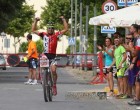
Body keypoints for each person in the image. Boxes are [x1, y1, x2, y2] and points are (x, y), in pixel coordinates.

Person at [31, 16, 68, 95]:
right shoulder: (43, 34)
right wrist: (35, 21)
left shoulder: (56, 35)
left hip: (53, 56)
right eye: (49, 28)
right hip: (45, 54)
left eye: (51, 28)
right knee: (42, 64)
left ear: (53, 29)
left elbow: (66, 29)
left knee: (54, 71)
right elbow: (33, 30)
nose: (50, 29)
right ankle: (42, 78)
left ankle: (54, 85)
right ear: (47, 29)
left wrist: (64, 20)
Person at [128, 24, 140, 106]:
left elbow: (136, 53)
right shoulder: (134, 39)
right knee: (136, 81)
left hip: (137, 63)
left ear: (135, 29)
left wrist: (133, 63)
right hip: (136, 62)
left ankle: (137, 98)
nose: (129, 29)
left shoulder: (138, 39)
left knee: (137, 82)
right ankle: (136, 97)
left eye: (131, 28)